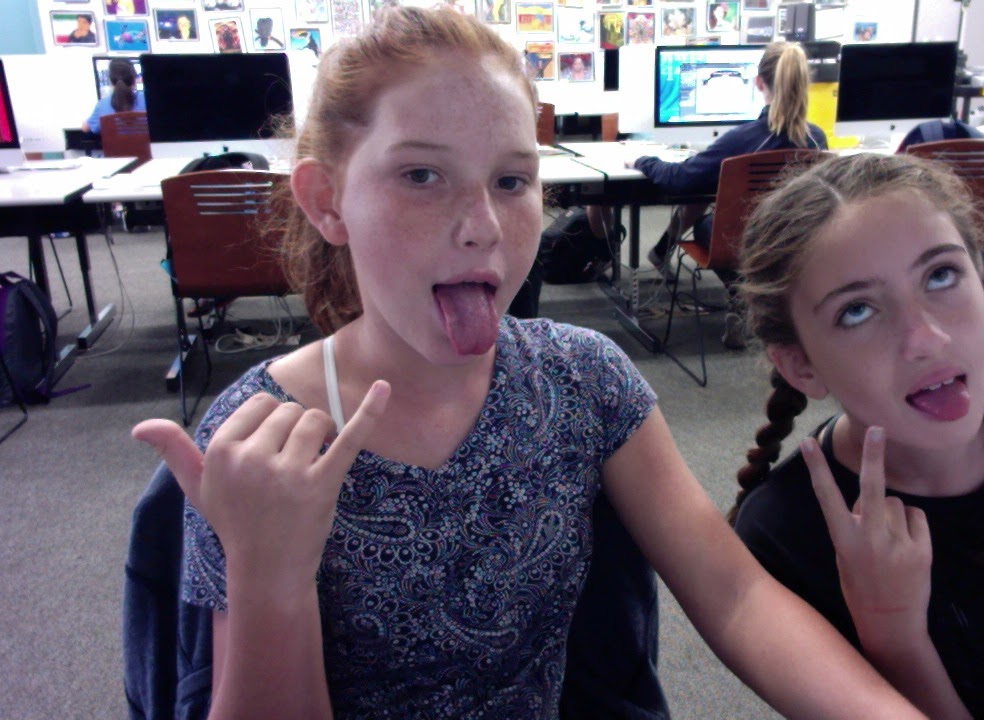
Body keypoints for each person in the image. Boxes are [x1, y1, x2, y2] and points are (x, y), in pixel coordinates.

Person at [131, 8, 926, 719]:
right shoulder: (262, 441)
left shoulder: (582, 381)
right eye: (421, 175)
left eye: (511, 180)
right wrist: (268, 579)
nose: (482, 225)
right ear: (326, 200)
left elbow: (738, 594)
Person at [730, 152, 984, 719]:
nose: (927, 338)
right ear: (801, 366)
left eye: (941, 275)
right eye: (857, 311)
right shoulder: (787, 535)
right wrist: (894, 636)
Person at [627, 41, 826, 347]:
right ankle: (763, 298)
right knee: (714, 198)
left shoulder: (742, 139)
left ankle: (742, 294)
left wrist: (642, 161)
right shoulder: (817, 139)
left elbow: (679, 180)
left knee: (710, 222)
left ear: (758, 83)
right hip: (797, 242)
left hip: (743, 242)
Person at [82, 57, 145, 134]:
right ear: (134, 79)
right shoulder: (147, 101)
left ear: (110, 81)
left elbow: (85, 128)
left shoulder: (102, 105)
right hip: (144, 142)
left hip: (114, 143)